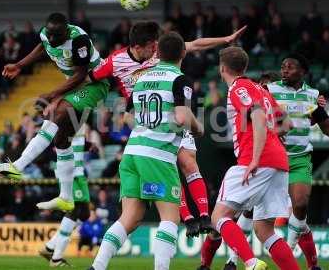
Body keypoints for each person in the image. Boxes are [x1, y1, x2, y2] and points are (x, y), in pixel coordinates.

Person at [88, 21, 247, 236]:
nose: (155, 48)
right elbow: (91, 78)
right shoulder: (116, 61)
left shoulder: (160, 53)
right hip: (143, 120)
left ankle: (204, 216)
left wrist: (225, 40)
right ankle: (188, 219)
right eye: (151, 44)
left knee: (189, 162)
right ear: (139, 45)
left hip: (171, 110)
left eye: (156, 45)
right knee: (169, 166)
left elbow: (194, 45)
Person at [88, 31, 204, 270]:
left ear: (157, 53)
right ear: (183, 53)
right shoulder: (180, 79)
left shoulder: (141, 77)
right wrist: (199, 127)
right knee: (170, 218)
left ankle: (97, 266)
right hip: (158, 155)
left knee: (129, 219)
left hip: (132, 153)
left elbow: (128, 114)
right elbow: (182, 117)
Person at [0, 12, 109, 213]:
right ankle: (66, 198)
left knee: (56, 113)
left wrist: (53, 95)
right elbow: (43, 46)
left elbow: (81, 75)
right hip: (76, 85)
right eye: (49, 35)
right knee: (61, 140)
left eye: (56, 37)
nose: (51, 40)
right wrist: (19, 65)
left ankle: (18, 166)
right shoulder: (47, 34)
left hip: (93, 83)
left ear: (66, 31)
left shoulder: (78, 40)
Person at [210, 46, 300, 270]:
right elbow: (287, 124)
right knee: (264, 230)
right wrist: (270, 136)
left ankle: (250, 263)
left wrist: (255, 159)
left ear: (222, 68)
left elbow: (258, 117)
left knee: (219, 216)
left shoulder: (238, 88)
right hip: (279, 161)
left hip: (257, 159)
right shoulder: (260, 89)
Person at [267, 53, 329, 270]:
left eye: (290, 67)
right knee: (252, 210)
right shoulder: (270, 90)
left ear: (303, 72)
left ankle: (287, 251)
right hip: (272, 159)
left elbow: (326, 125)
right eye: (283, 66)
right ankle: (311, 263)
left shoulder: (313, 95)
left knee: (300, 204)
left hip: (299, 158)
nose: (285, 70)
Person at [38, 131, 91, 267]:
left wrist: (87, 144)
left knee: (85, 213)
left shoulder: (72, 120)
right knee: (74, 209)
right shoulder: (71, 117)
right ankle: (56, 257)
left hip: (77, 171)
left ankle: (50, 247)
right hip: (73, 172)